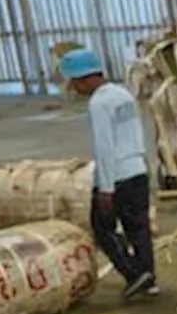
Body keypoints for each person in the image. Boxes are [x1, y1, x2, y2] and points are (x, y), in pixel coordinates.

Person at [60, 47, 157, 299]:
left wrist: (105, 188)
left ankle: (133, 273)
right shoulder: (122, 94)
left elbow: (105, 147)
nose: (75, 89)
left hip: (118, 174)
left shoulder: (99, 103)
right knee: (139, 228)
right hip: (138, 169)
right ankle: (149, 275)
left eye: (74, 83)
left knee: (103, 229)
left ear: (84, 78)